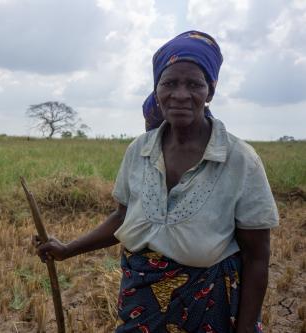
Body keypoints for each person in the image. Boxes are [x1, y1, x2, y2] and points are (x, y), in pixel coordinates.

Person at [33, 30, 279, 333]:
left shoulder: (240, 159)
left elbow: (257, 257)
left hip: (208, 306)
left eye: (193, 84)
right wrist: (68, 249)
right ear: (157, 89)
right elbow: (124, 217)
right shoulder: (140, 150)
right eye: (170, 83)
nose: (180, 94)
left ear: (210, 91)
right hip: (142, 299)